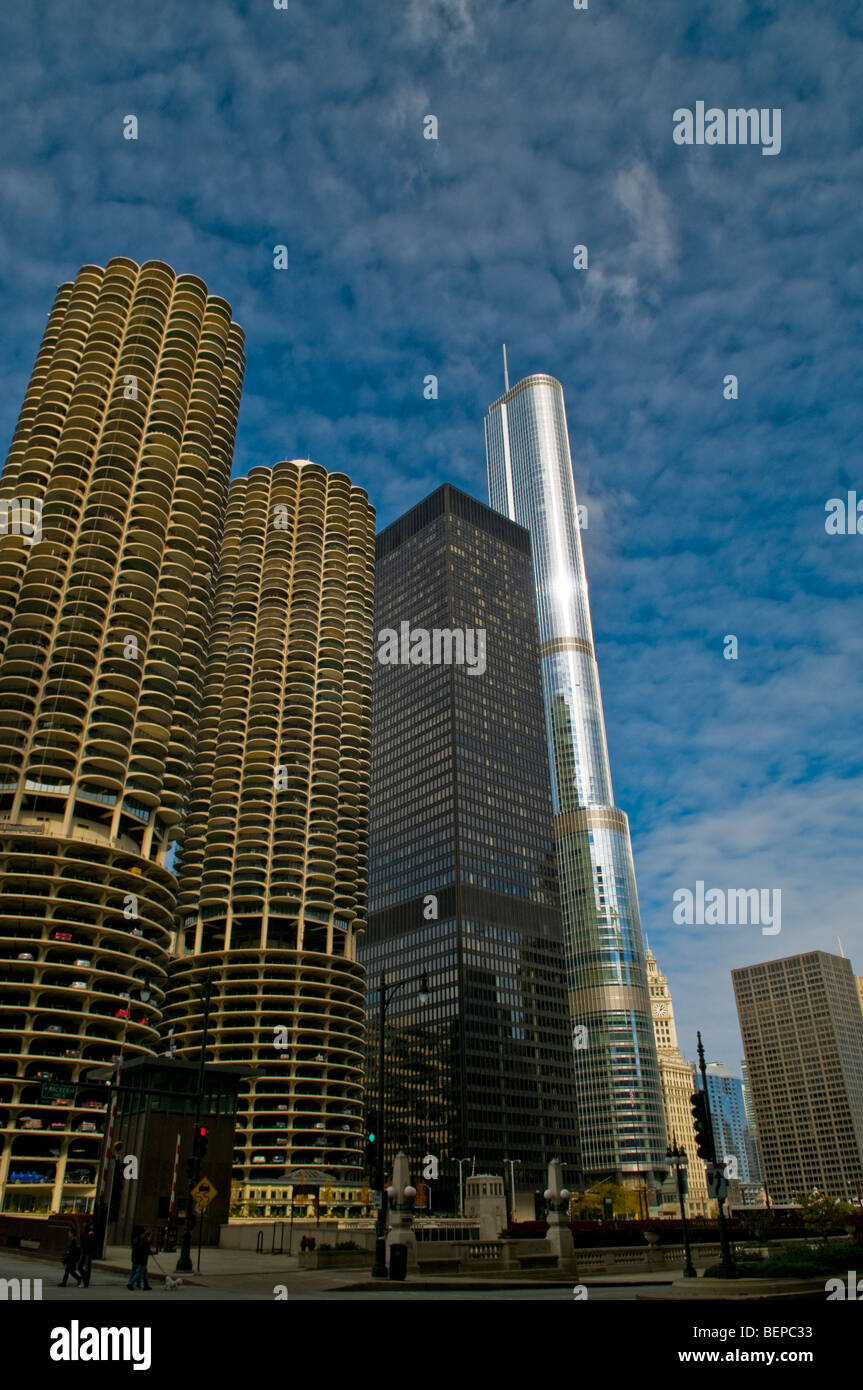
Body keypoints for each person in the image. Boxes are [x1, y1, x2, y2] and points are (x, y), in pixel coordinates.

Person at [126, 1225, 152, 1291]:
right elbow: (144, 1250)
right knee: (139, 1272)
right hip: (141, 1259)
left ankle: (144, 1285)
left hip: (138, 1258)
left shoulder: (138, 1240)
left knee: (143, 1272)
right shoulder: (144, 1241)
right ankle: (131, 1283)